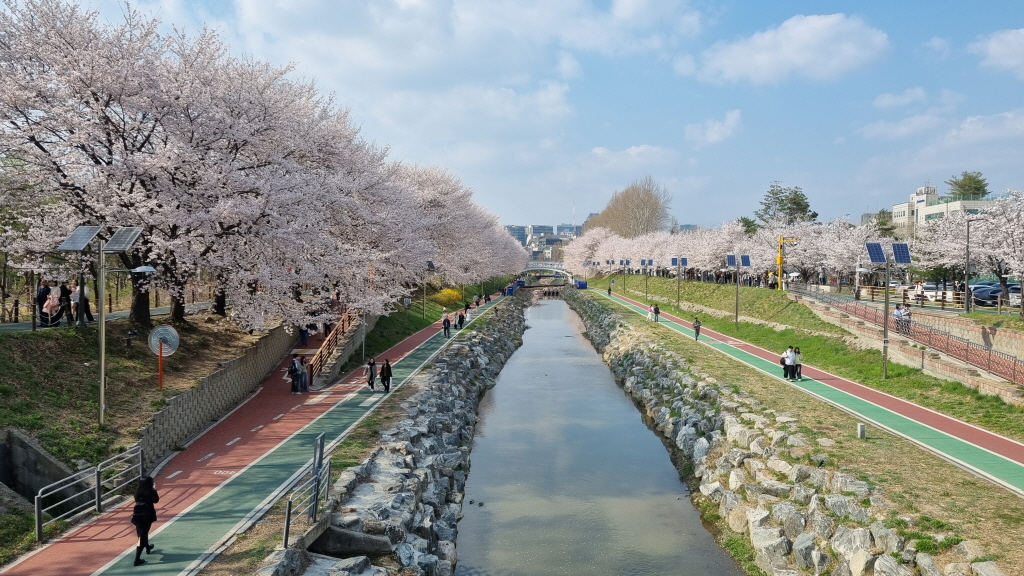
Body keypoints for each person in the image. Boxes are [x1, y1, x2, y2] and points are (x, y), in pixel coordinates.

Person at [130, 476, 160, 566]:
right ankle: (137, 559)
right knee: (142, 537)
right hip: (147, 516)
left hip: (137, 516)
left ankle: (147, 546)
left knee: (143, 533)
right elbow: (156, 500)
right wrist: (154, 490)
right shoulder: (150, 491)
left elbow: (136, 500)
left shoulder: (138, 492)